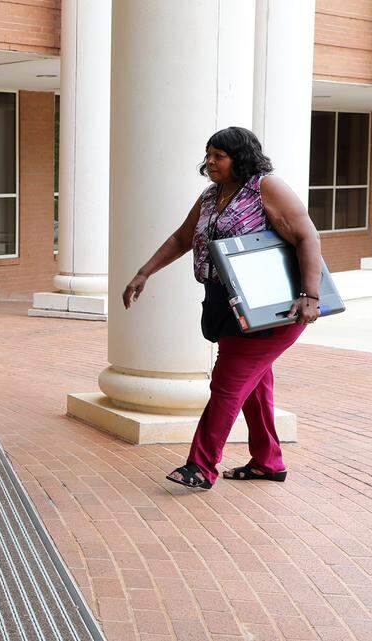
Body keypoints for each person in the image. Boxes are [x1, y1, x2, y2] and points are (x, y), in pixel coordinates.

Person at [121, 126, 322, 490]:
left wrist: (311, 294)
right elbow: (182, 238)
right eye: (208, 155)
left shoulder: (266, 188)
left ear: (240, 158)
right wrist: (144, 272)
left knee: (227, 383)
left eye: (219, 156)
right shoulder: (212, 195)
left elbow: (307, 235)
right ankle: (268, 462)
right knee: (255, 386)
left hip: (274, 307)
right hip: (229, 305)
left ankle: (200, 466)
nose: (210, 162)